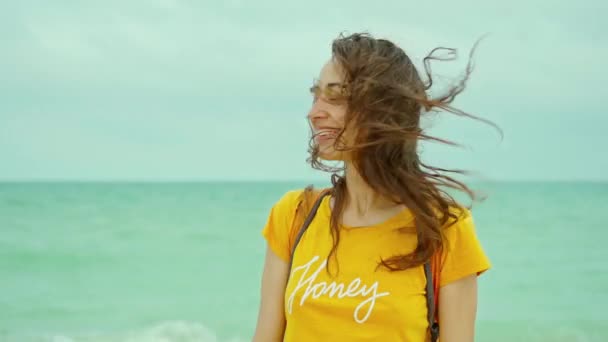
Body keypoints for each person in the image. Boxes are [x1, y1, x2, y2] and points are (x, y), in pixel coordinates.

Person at [253, 32, 498, 342]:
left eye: (336, 97)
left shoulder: (443, 228)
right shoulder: (295, 216)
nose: (314, 113)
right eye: (316, 95)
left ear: (382, 109)